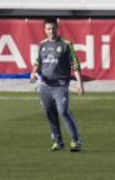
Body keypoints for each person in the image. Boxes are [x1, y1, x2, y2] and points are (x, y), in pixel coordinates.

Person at [30, 17, 84, 152]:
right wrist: (33, 73)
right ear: (44, 30)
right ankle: (58, 142)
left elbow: (75, 65)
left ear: (57, 28)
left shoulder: (66, 44)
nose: (51, 31)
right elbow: (38, 62)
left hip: (60, 85)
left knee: (63, 111)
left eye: (53, 28)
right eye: (48, 28)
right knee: (50, 113)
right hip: (45, 86)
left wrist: (80, 84)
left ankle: (75, 141)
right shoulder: (42, 45)